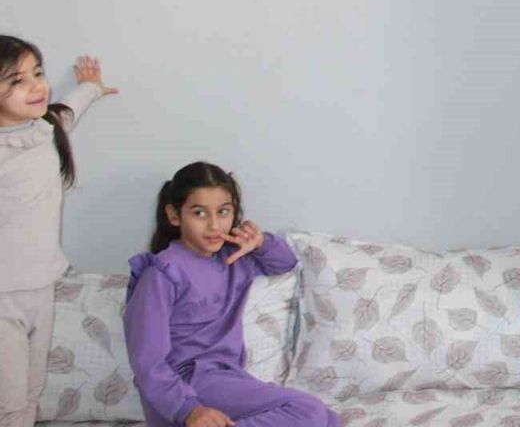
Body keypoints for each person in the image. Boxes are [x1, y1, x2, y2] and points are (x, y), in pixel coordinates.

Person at [123, 162, 339, 427]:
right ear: (175, 215)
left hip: (225, 381)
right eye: (199, 213)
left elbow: (285, 263)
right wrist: (188, 410)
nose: (214, 225)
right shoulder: (162, 273)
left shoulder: (235, 257)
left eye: (223, 211)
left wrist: (260, 242)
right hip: (185, 390)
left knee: (329, 419)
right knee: (308, 411)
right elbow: (147, 361)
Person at [0, 37, 115, 427]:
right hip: (2, 297)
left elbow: (70, 108)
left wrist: (91, 87)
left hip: (41, 287)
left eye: (38, 73)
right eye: (17, 80)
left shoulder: (47, 128)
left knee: (31, 392)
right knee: (9, 401)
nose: (36, 86)